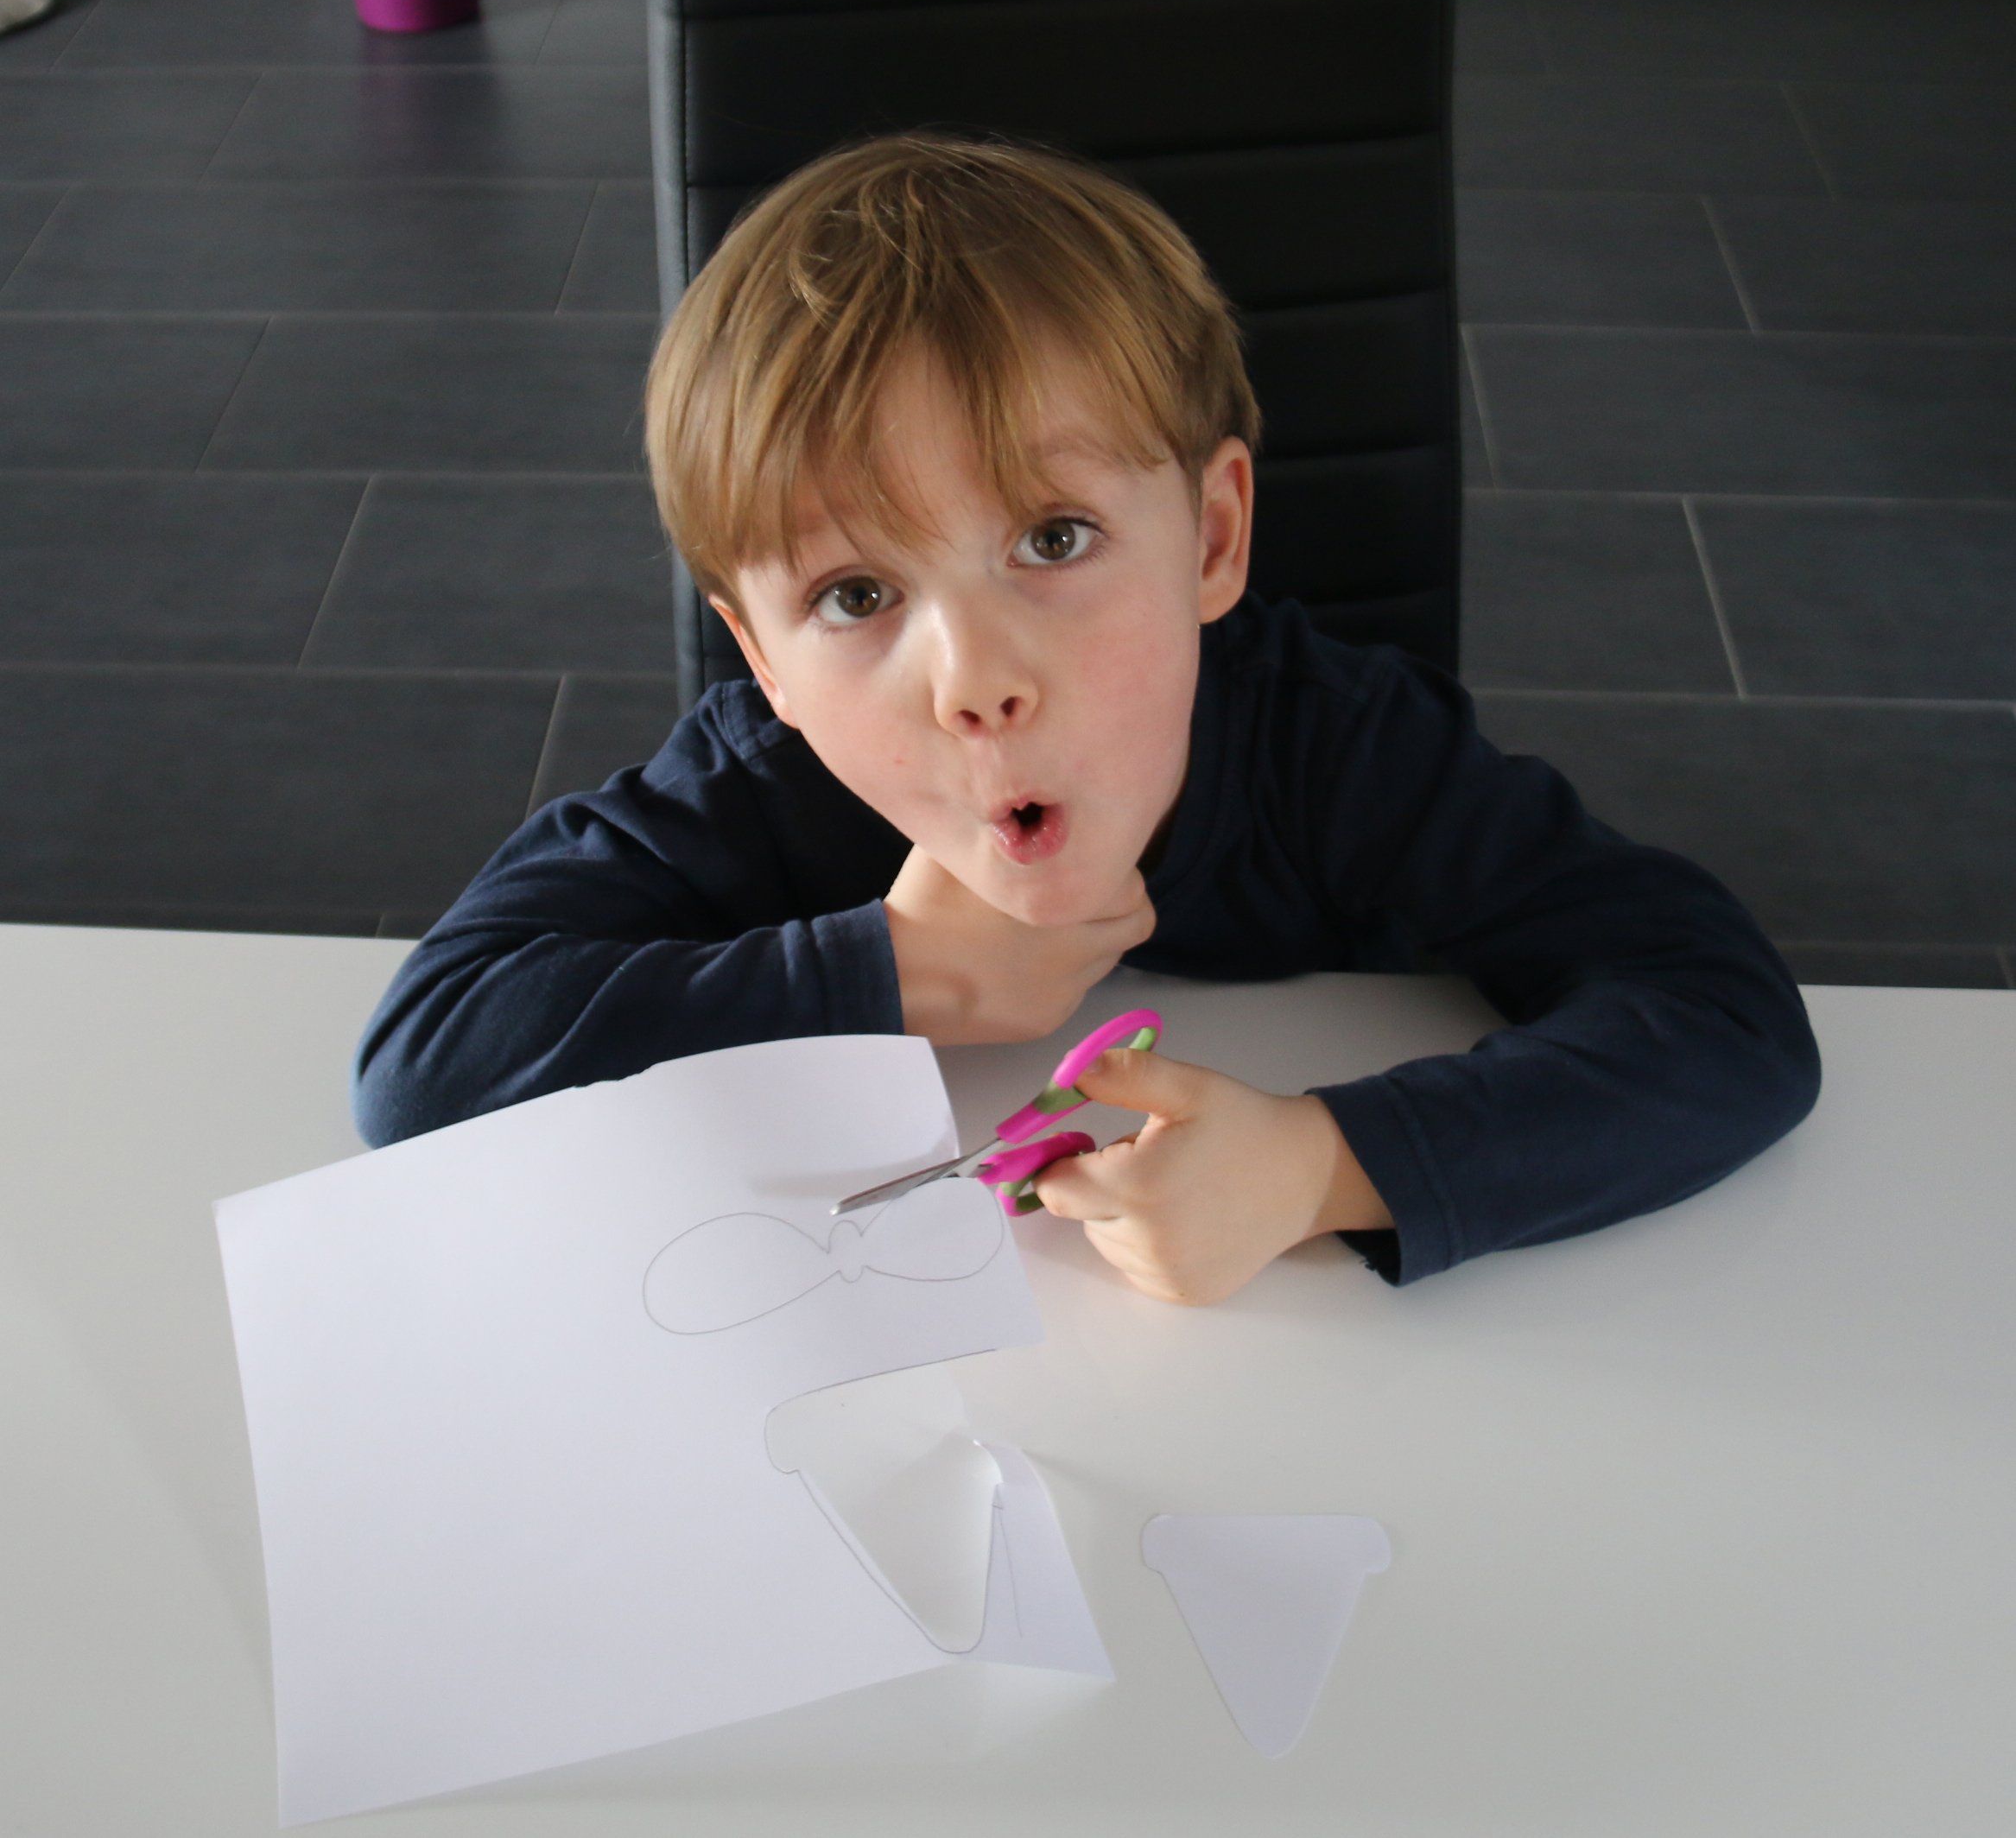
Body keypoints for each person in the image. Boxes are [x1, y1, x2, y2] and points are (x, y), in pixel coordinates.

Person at [351, 130, 1821, 1303]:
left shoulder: (1336, 744)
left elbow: (1717, 1012)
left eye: (1052, 540)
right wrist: (888, 973)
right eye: (856, 595)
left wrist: (1325, 1164)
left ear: (1212, 536)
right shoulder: (759, 784)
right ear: (763, 661)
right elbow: (428, 1062)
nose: (972, 681)